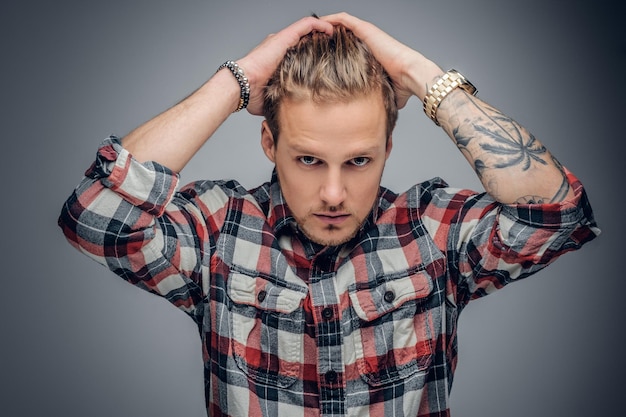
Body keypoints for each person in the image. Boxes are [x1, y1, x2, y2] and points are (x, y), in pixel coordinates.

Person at [58, 12, 599, 417]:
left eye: (359, 160)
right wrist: (237, 80)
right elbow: (94, 216)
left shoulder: (431, 231)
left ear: (389, 147)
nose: (335, 193)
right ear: (269, 142)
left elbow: (557, 214)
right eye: (309, 159)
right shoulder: (220, 230)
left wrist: (421, 75)